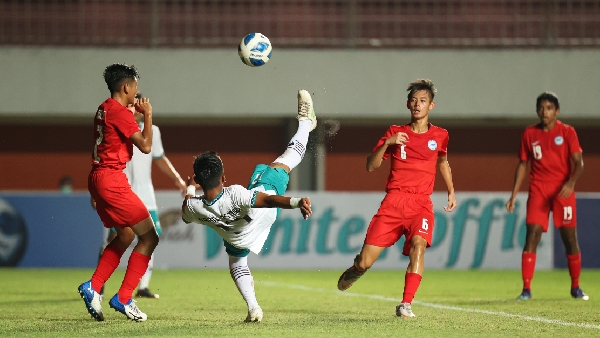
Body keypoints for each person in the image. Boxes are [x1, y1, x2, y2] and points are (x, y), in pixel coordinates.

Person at [181, 89, 316, 322]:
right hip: (262, 212)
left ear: (198, 181)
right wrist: (296, 202)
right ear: (223, 178)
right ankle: (306, 123)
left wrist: (191, 188)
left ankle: (254, 307)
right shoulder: (235, 193)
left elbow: (186, 208)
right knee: (284, 161)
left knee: (236, 262)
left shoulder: (193, 209)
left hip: (238, 237)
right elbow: (269, 200)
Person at [336, 79, 456, 318]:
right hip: (393, 203)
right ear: (407, 104)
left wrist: (452, 190)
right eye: (414, 100)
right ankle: (357, 269)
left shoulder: (441, 136)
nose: (417, 105)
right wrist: (387, 144)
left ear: (431, 106)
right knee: (365, 262)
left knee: (418, 246)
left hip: (421, 203)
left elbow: (442, 162)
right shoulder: (394, 133)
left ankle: (405, 304)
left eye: (422, 101)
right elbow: (371, 166)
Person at [78, 63, 159, 322]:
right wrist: (147, 114)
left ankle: (94, 286)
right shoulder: (121, 113)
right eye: (135, 86)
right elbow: (146, 146)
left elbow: (112, 132)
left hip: (98, 178)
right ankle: (124, 297)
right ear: (126, 86)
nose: (137, 91)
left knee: (124, 234)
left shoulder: (104, 108)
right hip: (113, 179)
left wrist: (132, 111)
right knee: (149, 238)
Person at [101, 92, 186, 299]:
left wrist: (177, 179)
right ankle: (100, 283)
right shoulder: (116, 128)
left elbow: (160, 158)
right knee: (114, 238)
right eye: (132, 105)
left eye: (139, 106)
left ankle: (143, 286)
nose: (136, 109)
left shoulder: (152, 131)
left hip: (146, 196)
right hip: (121, 193)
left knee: (151, 237)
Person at [506, 91, 587, 301]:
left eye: (549, 108)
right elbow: (523, 164)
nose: (544, 112)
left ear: (557, 111)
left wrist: (571, 182)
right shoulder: (529, 134)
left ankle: (576, 287)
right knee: (531, 234)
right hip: (538, 189)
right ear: (536, 110)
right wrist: (513, 195)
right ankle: (526, 289)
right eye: (541, 108)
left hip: (562, 190)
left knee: (570, 239)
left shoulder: (568, 132)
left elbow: (579, 164)